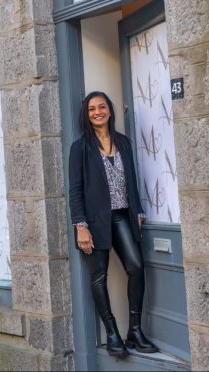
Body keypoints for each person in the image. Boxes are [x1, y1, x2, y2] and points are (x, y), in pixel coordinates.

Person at [69, 91, 157, 358]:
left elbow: (132, 178)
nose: (98, 112)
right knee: (99, 277)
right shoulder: (80, 147)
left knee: (136, 267)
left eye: (102, 107)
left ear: (109, 110)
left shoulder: (123, 142)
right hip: (94, 222)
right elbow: (75, 190)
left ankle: (134, 331)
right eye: (92, 108)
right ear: (86, 114)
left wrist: (138, 211)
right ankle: (111, 334)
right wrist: (80, 226)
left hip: (122, 216)